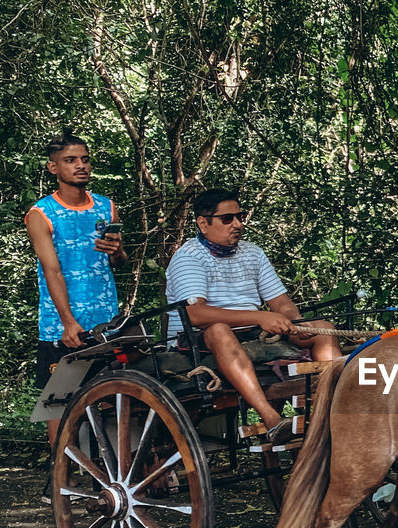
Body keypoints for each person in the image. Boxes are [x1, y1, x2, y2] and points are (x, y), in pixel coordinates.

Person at [165, 189, 341, 444]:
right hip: (199, 341)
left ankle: (333, 411)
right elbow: (195, 314)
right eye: (227, 219)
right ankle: (271, 420)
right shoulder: (188, 257)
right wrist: (258, 317)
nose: (238, 224)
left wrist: (297, 322)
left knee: (323, 328)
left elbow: (280, 302)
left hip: (255, 332)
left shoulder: (253, 253)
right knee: (219, 331)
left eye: (240, 216)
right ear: (203, 223)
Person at [25, 129, 126, 444]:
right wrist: (68, 323)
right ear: (53, 168)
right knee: (59, 401)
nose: (80, 165)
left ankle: (108, 480)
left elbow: (119, 261)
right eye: (70, 160)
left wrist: (118, 252)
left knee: (113, 397)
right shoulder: (41, 214)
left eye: (84, 159)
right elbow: (52, 271)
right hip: (63, 325)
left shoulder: (106, 207)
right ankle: (59, 482)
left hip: (107, 322)